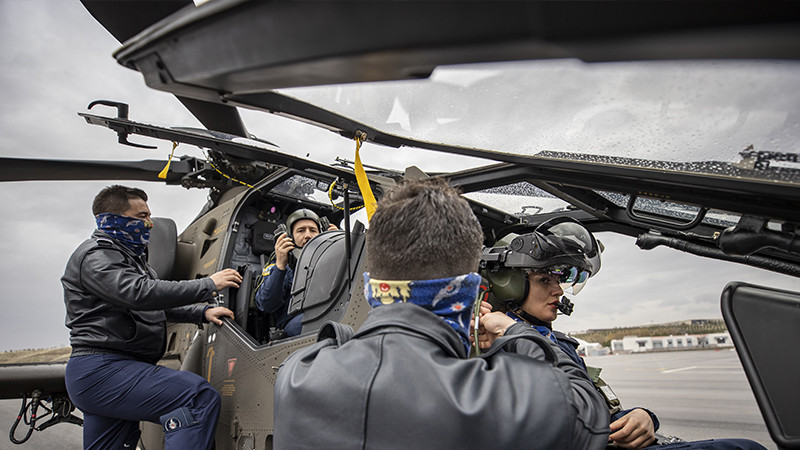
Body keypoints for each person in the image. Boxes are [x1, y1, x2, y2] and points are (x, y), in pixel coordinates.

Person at [274, 178, 610, 449]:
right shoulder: (503, 398)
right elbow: (586, 410)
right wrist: (517, 334)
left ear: (371, 287)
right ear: (467, 290)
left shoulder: (295, 375)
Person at [479, 217, 767, 450]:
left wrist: (641, 417)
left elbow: (596, 407)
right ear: (510, 281)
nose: (557, 291)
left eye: (561, 280)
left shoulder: (559, 343)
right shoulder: (493, 345)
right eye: (544, 279)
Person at [62, 185, 242, 450]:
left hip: (109, 372)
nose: (149, 224)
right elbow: (139, 294)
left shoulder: (129, 259)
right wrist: (208, 285)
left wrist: (201, 311)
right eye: (142, 216)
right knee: (197, 398)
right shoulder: (96, 256)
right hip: (105, 369)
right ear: (112, 219)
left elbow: (148, 305)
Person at [254, 208, 335, 337]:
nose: (308, 235)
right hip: (296, 322)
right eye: (301, 231)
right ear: (290, 237)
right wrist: (280, 265)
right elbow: (266, 304)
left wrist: (341, 247)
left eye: (313, 230)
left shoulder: (333, 259)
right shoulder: (281, 266)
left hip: (332, 311)